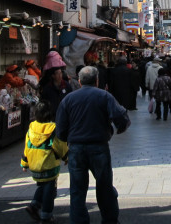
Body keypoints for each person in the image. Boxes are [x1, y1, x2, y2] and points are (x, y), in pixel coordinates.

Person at [55, 66, 130, 224]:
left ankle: (79, 220)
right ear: (97, 81)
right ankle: (109, 219)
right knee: (104, 185)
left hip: (75, 148)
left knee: (77, 189)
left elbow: (60, 128)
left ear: (80, 81)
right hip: (99, 146)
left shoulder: (68, 99)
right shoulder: (104, 96)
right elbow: (120, 115)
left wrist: (66, 139)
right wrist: (121, 127)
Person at [21, 100, 68, 224]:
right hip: (48, 163)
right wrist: (66, 157)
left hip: (34, 163)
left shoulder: (31, 127)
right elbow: (59, 146)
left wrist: (24, 162)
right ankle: (46, 215)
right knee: (49, 188)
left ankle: (34, 205)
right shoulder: (52, 129)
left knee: (43, 185)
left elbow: (27, 145)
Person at [40, 50, 72, 117]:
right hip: (51, 116)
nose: (60, 75)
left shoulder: (66, 85)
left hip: (64, 115)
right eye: (58, 74)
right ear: (53, 75)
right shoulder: (47, 88)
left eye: (61, 73)